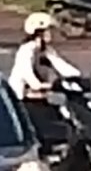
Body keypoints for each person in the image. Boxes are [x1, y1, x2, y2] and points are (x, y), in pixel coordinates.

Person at [7, 10, 83, 144]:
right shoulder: (26, 51)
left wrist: (79, 78)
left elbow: (62, 66)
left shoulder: (47, 50)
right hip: (22, 100)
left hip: (40, 97)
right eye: (47, 30)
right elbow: (28, 75)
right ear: (38, 33)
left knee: (64, 118)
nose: (51, 34)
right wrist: (43, 85)